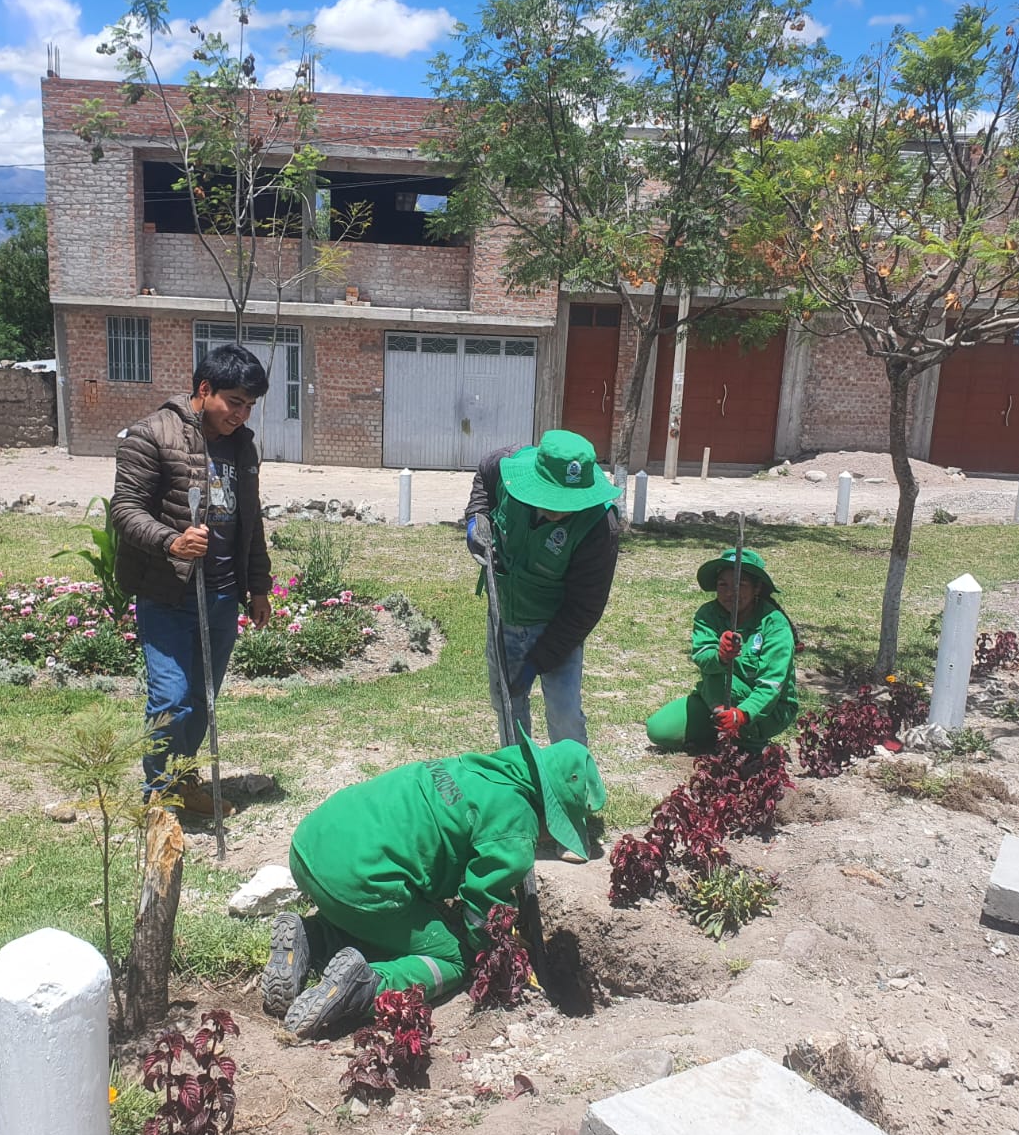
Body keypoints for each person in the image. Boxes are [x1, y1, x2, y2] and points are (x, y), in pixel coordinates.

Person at [261, 725, 607, 1037]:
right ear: (552, 810)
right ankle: (363, 987)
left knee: (390, 918)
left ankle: (311, 937)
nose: (548, 838)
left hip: (311, 844)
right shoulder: (515, 829)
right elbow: (483, 911)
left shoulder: (478, 767)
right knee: (449, 959)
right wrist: (492, 953)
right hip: (357, 882)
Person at [110, 342, 273, 814]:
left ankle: (184, 782)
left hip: (222, 593)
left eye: (250, 406)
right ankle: (158, 795)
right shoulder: (151, 435)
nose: (242, 415)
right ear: (204, 390)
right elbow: (125, 510)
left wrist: (258, 586)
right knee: (172, 697)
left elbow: (250, 519)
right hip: (167, 591)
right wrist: (170, 541)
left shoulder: (242, 446)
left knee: (201, 698)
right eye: (234, 403)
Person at [464, 430, 620, 746]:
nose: (558, 511)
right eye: (551, 496)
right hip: (506, 615)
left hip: (558, 625)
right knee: (507, 706)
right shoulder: (510, 467)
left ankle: (573, 788)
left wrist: (538, 660)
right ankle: (520, 780)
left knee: (564, 714)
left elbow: (583, 608)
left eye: (567, 502)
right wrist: (476, 518)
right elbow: (484, 474)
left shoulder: (600, 526)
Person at [644, 547, 798, 754]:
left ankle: (750, 741)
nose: (729, 593)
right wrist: (719, 656)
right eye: (722, 585)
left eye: (739, 585)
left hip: (767, 708)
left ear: (757, 588)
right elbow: (702, 657)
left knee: (743, 749)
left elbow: (772, 685)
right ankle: (718, 728)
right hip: (715, 698)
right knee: (659, 730)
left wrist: (742, 714)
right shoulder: (708, 614)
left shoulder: (775, 624)